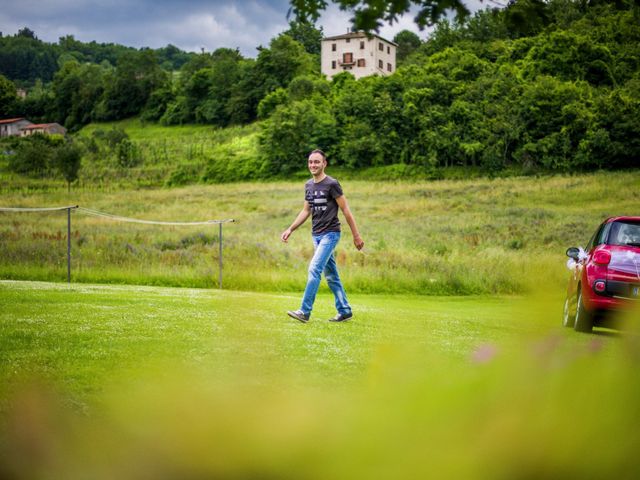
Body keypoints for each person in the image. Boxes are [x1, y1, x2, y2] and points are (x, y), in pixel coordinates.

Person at [281, 149, 364, 323]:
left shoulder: (332, 184)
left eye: (317, 162)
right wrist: (290, 229)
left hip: (331, 234)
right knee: (332, 275)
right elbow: (306, 211)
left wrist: (356, 236)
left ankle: (304, 311)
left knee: (314, 269)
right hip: (316, 236)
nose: (313, 165)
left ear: (324, 163)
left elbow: (346, 210)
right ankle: (345, 310)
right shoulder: (308, 185)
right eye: (311, 162)